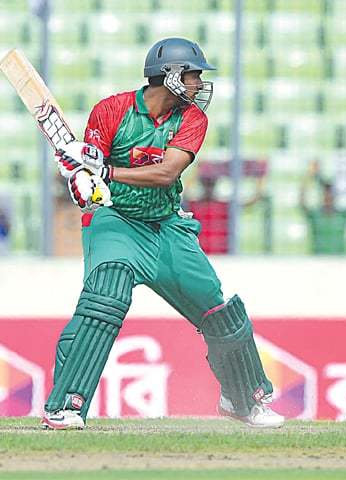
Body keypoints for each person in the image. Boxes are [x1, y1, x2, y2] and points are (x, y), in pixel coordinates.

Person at [45, 38, 284, 430]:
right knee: (107, 295)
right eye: (192, 75)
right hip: (116, 221)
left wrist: (106, 173)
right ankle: (67, 404)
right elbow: (85, 179)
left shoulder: (191, 119)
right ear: (170, 76)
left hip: (168, 225)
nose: (197, 84)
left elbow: (166, 173)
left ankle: (242, 399)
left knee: (218, 311)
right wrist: (82, 184)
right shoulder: (112, 111)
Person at [299, 159, 346, 255]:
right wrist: (309, 175)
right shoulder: (315, 216)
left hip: (341, 263)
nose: (328, 200)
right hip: (318, 263)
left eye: (330, 197)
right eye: (326, 197)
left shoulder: (343, 215)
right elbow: (302, 202)